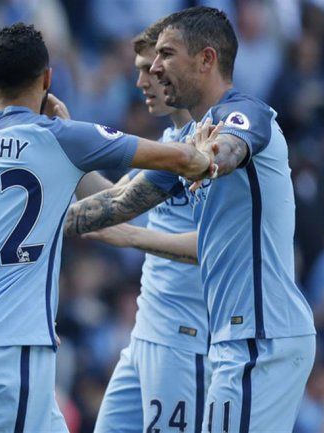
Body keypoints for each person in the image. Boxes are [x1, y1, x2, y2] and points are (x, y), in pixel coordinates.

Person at [0, 23, 216, 433]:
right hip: (12, 347)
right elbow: (177, 160)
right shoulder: (61, 137)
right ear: (48, 78)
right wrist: (206, 153)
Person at [65, 7, 316, 432]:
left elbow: (231, 148)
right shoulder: (180, 145)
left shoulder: (246, 112)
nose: (155, 70)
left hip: (260, 336)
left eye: (165, 55)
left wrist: (208, 159)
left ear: (206, 59)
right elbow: (118, 202)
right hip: (229, 337)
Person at [89, 19, 210, 433]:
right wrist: (65, 148)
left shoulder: (208, 144)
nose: (143, 80)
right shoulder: (171, 140)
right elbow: (113, 202)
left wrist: (131, 238)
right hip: (146, 333)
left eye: (151, 68)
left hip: (185, 337)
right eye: (140, 69)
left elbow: (217, 245)